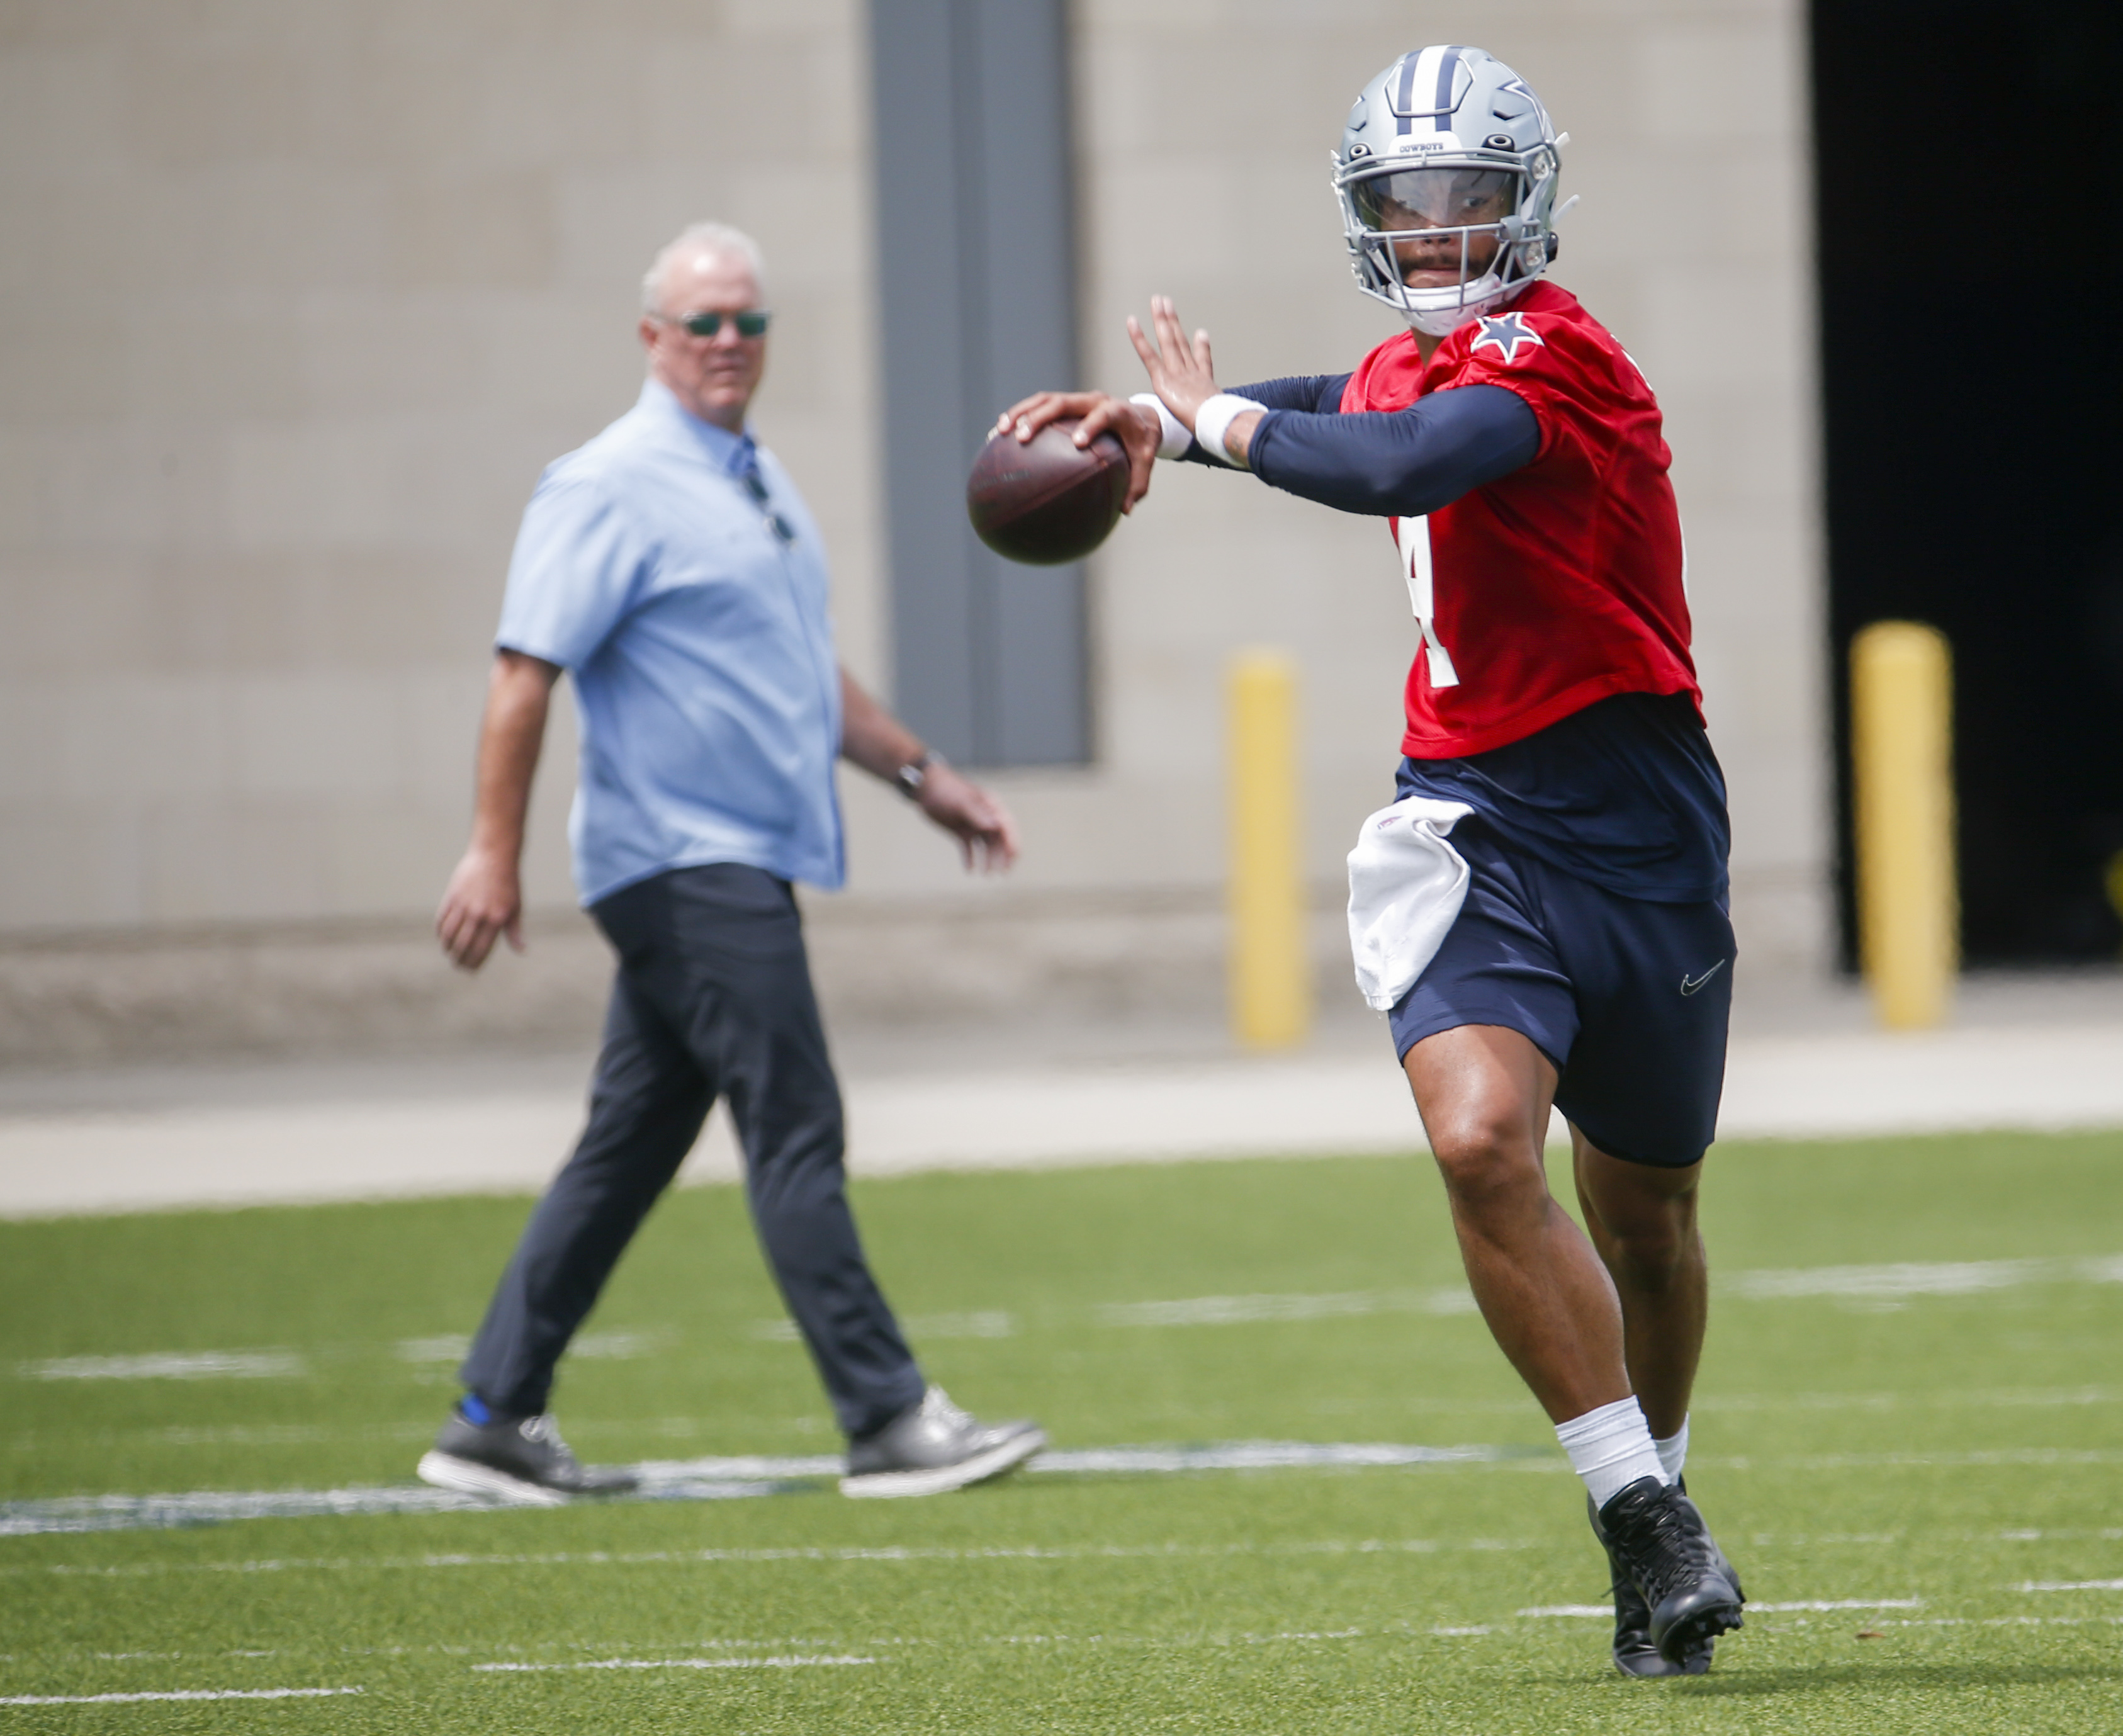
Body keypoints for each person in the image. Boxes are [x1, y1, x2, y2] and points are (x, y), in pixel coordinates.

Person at [1003, 47, 1745, 1674]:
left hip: (1636, 834)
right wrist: (1162, 425)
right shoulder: (1414, 361)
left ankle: (1660, 1483)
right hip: (1467, 823)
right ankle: (1641, 1513)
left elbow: (1399, 462)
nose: (1430, 227)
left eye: (1463, 195)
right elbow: (1345, 408)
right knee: (1480, 1141)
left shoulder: (1560, 361)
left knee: (1647, 1216)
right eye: (1403, 203)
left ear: (1521, 200)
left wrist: (1210, 421)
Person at [418, 221, 1045, 1504]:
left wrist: (925, 778)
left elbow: (800, 673)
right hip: (685, 860)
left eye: (746, 322)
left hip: (730, 857)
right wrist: (493, 849)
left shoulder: (748, 476)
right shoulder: (609, 481)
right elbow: (522, 670)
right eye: (700, 321)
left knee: (629, 1144)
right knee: (795, 1121)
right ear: (651, 336)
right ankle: (883, 1417)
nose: (724, 343)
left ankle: (492, 1413)